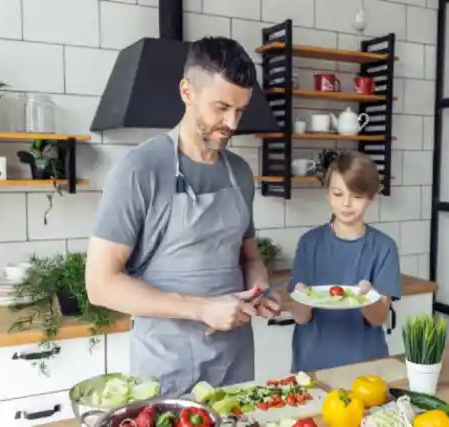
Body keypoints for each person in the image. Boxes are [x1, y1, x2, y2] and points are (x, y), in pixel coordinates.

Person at [85, 36, 281, 397]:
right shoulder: (139, 169)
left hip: (234, 361)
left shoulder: (239, 172)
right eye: (221, 107)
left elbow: (249, 257)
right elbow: (100, 284)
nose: (232, 124)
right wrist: (203, 308)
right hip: (166, 367)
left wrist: (260, 290)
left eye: (240, 110)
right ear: (187, 91)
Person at [288, 150, 401, 372]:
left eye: (357, 196)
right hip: (312, 365)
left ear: (372, 197)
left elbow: (379, 319)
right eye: (338, 193)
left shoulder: (384, 247)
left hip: (366, 366)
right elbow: (300, 318)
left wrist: (367, 297)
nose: (346, 204)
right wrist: (301, 298)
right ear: (328, 194)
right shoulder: (309, 243)